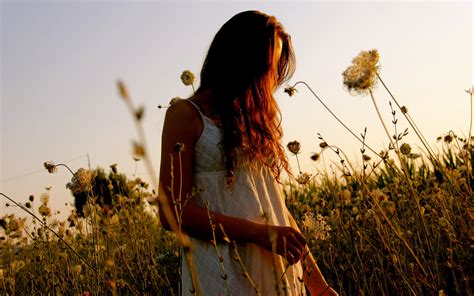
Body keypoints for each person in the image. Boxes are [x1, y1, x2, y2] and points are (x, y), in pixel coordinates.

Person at [159, 10, 338, 296]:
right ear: (241, 59)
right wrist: (259, 234)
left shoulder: (255, 122)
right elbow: (171, 213)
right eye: (267, 67)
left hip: (275, 272)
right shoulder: (186, 115)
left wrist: (318, 285)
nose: (270, 79)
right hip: (220, 273)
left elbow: (278, 210)